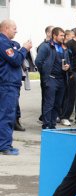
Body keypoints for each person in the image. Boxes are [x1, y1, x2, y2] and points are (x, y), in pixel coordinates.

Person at [0, 19, 32, 155]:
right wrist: (24, 49)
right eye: (14, 28)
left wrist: (19, 49)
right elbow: (16, 60)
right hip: (7, 84)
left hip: (9, 83)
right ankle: (5, 146)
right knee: (7, 116)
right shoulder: (3, 42)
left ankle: (5, 144)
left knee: (6, 115)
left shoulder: (8, 43)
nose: (16, 31)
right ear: (6, 28)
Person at [35, 27, 70, 129]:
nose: (63, 37)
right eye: (61, 35)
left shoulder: (64, 48)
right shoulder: (46, 47)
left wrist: (68, 66)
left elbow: (68, 61)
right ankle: (46, 125)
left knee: (57, 104)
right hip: (51, 79)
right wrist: (45, 73)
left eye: (64, 35)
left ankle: (52, 124)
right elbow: (38, 62)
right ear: (54, 36)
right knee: (49, 103)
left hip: (62, 79)